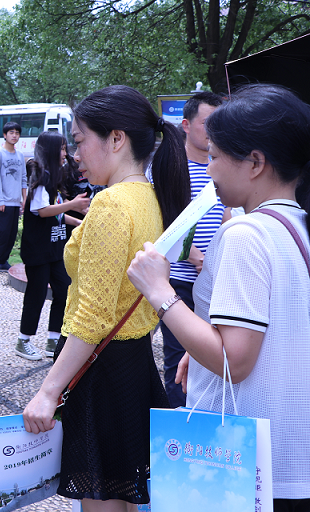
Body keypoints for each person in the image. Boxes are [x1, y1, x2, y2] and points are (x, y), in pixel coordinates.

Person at [127, 84, 310, 511]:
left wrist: (160, 291)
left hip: (247, 471)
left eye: (213, 156)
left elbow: (234, 361)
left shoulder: (245, 234)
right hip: (292, 458)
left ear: (255, 163)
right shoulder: (299, 225)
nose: (208, 169)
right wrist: (202, 345)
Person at [23, 85, 191, 510]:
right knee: (127, 497)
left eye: (80, 141)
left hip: (100, 369)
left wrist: (48, 391)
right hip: (132, 363)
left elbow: (91, 317)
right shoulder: (148, 195)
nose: (75, 154)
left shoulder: (113, 204)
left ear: (116, 139)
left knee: (103, 500)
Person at [155, 91, 228, 407]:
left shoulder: (223, 167)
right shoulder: (169, 168)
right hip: (180, 282)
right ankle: (178, 428)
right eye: (207, 123)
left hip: (217, 281)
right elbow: (158, 225)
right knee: (178, 362)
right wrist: (192, 254)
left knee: (214, 360)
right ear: (185, 125)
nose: (213, 131)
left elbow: (228, 213)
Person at [14, 131, 90, 361]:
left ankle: (53, 339)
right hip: (38, 249)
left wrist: (78, 221)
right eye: (62, 149)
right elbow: (41, 211)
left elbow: (54, 212)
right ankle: (23, 340)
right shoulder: (41, 177)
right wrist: (72, 204)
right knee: (36, 294)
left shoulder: (52, 177)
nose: (66, 153)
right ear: (50, 150)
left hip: (54, 247)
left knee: (64, 290)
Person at [0, 122, 27, 274]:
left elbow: (23, 178)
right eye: (11, 132)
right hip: (2, 202)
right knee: (3, 232)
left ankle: (3, 261)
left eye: (17, 133)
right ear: (5, 135)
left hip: (15, 202)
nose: (14, 135)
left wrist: (24, 199)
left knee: (11, 234)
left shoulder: (20, 155)